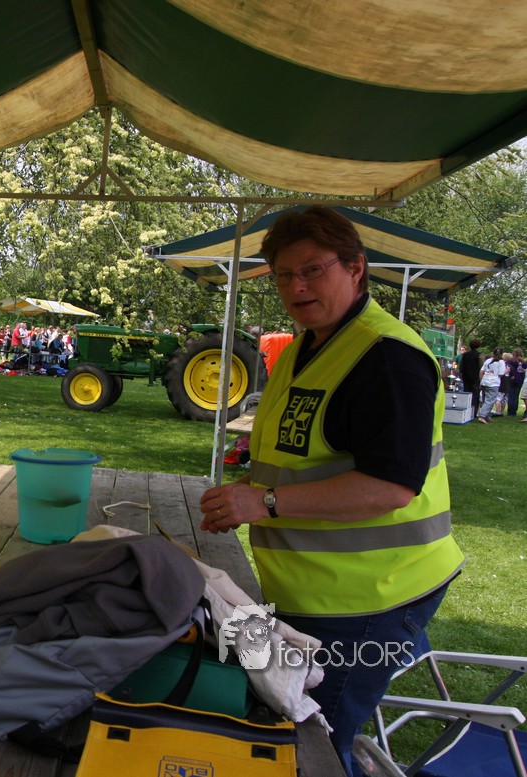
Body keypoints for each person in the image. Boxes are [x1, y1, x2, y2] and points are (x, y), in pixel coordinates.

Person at [197, 207, 463, 777]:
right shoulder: (305, 347)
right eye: (283, 275)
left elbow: (390, 487)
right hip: (309, 591)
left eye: (313, 270)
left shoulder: (388, 358)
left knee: (311, 747)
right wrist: (248, 491)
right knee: (268, 715)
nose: (296, 287)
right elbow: (303, 459)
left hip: (371, 600)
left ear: (356, 268)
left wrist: (263, 503)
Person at [477, 350, 505, 423]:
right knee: (490, 400)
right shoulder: (501, 362)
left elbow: (481, 372)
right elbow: (501, 374)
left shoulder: (488, 360)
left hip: (484, 381)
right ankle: (482, 416)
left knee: (485, 400)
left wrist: (481, 381)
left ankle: (487, 416)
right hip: (493, 383)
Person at [459, 339, 481, 415]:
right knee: (475, 395)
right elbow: (481, 367)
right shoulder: (479, 355)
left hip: (466, 377)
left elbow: (461, 367)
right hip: (475, 377)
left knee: (467, 393)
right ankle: (473, 412)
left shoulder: (465, 355)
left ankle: (466, 410)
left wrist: (463, 373)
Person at [509, 348, 525, 418]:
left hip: (512, 379)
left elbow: (510, 369)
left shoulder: (511, 361)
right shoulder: (524, 362)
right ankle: (514, 411)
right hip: (520, 379)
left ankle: (510, 411)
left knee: (510, 395)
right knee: (516, 395)